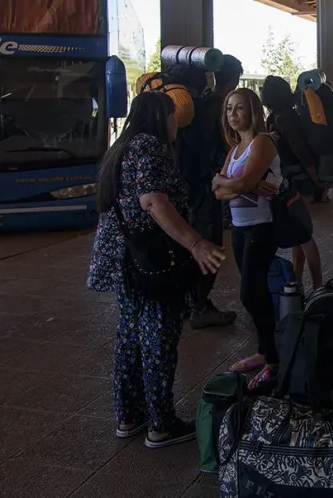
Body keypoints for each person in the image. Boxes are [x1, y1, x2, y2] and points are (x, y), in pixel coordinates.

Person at [88, 91, 226, 447]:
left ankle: (129, 416)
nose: (175, 123)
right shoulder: (149, 146)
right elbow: (153, 201)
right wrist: (195, 243)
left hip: (122, 258)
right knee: (158, 338)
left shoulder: (121, 147)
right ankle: (160, 425)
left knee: (130, 336)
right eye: (172, 115)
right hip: (148, 260)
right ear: (160, 117)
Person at [213, 88, 282, 387]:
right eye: (229, 109)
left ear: (253, 111)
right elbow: (217, 191)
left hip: (261, 227)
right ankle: (263, 350)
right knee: (256, 294)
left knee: (250, 293)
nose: (233, 114)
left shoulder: (262, 142)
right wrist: (229, 184)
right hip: (240, 229)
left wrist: (231, 183)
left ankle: (274, 359)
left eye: (239, 108)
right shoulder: (235, 149)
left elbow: (240, 183)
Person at [174, 57, 242, 329]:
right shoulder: (219, 107)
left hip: (184, 184)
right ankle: (200, 306)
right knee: (209, 243)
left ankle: (185, 303)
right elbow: (225, 147)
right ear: (234, 78)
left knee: (189, 243)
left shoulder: (194, 105)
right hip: (204, 185)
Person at [260, 76, 324, 288]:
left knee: (304, 235)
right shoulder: (287, 115)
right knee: (300, 232)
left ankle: (317, 286)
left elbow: (299, 149)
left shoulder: (282, 118)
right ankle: (297, 281)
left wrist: (315, 178)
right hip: (298, 177)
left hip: (296, 179)